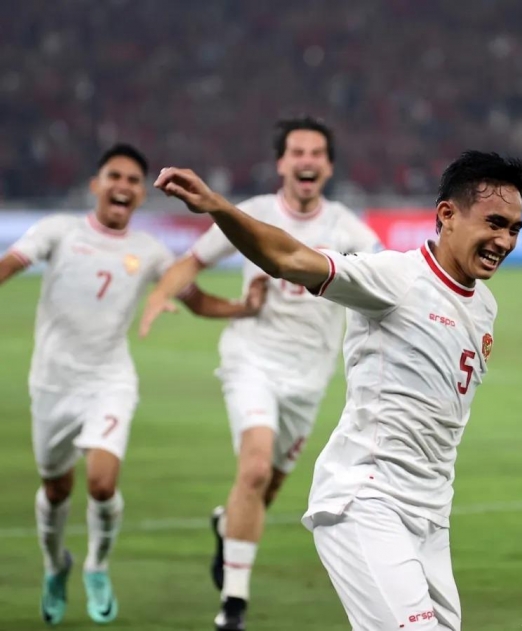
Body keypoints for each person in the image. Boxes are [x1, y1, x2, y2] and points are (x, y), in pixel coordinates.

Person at [153, 149, 522, 631]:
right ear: (447, 214)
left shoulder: (484, 306)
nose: (504, 240)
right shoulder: (395, 278)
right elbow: (288, 257)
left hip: (431, 517)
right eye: (494, 223)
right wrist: (218, 207)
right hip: (367, 501)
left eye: (514, 229)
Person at [0, 144, 267, 626]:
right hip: (52, 384)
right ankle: (55, 564)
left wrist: (241, 308)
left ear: (141, 194)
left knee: (102, 483)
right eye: (114, 176)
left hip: (110, 380)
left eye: (131, 181)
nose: (122, 186)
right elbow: (13, 263)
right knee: (56, 490)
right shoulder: (59, 231)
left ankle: (97, 566)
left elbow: (195, 298)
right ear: (96, 185)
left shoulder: (148, 250)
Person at [138, 116, 383, 631]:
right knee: (252, 470)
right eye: (298, 152)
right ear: (282, 163)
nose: (307, 161)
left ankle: (227, 526)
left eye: (316, 153)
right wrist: (161, 294)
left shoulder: (350, 230)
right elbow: (191, 262)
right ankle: (233, 606)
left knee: (264, 490)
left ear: (328, 167)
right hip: (251, 359)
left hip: (308, 378)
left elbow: (386, 279)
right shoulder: (252, 214)